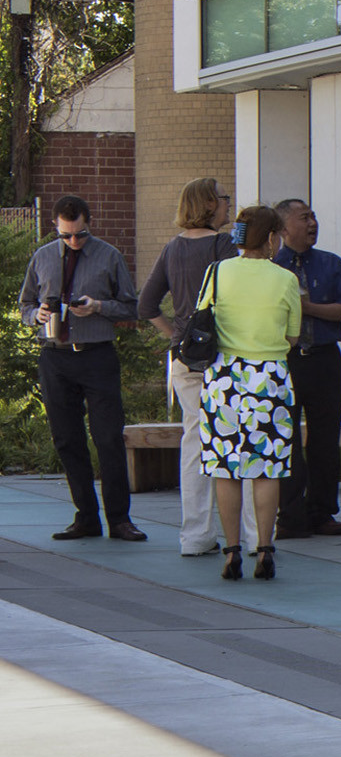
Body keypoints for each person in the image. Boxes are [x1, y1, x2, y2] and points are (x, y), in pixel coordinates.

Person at [17, 195, 145, 541]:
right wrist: (36, 316)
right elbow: (25, 304)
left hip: (96, 355)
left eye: (80, 234)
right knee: (67, 439)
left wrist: (99, 306)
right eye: (66, 235)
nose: (73, 241)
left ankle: (120, 519)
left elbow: (132, 307)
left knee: (107, 437)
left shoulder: (108, 256)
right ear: (55, 228)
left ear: (90, 224)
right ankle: (86, 516)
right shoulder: (42, 257)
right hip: (55, 356)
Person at [200, 204, 303, 577]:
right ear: (273, 237)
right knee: (266, 469)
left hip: (224, 377)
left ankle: (230, 552)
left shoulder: (217, 272)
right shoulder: (286, 279)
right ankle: (264, 549)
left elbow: (203, 318)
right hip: (270, 378)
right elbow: (292, 335)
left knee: (226, 469)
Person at [136, 176, 234, 555]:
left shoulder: (171, 248)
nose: (228, 204)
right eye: (224, 198)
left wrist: (176, 334)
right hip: (222, 356)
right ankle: (247, 533)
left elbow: (146, 306)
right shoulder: (224, 246)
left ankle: (194, 535)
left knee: (193, 442)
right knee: (230, 441)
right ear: (209, 204)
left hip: (184, 358)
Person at [272, 199, 341, 539]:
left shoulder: (331, 264)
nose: (313, 223)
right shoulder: (271, 267)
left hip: (325, 359)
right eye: (304, 218)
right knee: (286, 439)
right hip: (287, 360)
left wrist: (306, 307)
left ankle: (322, 512)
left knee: (325, 440)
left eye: (314, 216)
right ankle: (291, 517)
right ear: (282, 229)